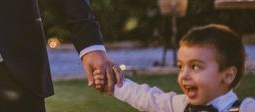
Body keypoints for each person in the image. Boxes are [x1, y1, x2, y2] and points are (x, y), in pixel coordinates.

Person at [103, 24, 254, 112]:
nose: (184, 75)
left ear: (228, 75)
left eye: (195, 66)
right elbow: (147, 97)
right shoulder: (181, 105)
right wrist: (115, 84)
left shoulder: (246, 109)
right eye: (181, 67)